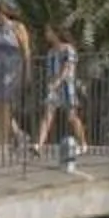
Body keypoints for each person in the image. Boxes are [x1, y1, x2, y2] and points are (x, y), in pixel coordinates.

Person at [32, 25, 86, 167]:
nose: (46, 35)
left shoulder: (68, 49)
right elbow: (50, 71)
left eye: (48, 32)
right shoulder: (51, 52)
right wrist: (51, 85)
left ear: (56, 33)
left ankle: (83, 144)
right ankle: (39, 145)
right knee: (47, 116)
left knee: (71, 117)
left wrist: (57, 83)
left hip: (67, 87)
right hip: (54, 89)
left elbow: (67, 69)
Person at [0, 4, 29, 146]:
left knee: (4, 104)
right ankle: (18, 134)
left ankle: (2, 142)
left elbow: (26, 50)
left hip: (11, 69)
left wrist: (26, 70)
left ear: (1, 13)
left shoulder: (17, 27)